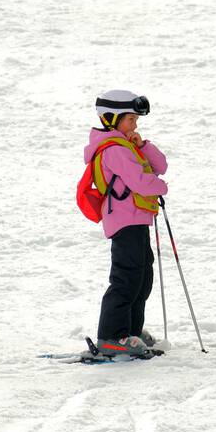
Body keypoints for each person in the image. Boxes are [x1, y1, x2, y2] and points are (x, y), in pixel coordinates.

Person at [84, 90, 169, 358]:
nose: (135, 124)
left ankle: (130, 331)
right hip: (124, 221)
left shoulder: (128, 145)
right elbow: (142, 181)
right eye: (131, 119)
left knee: (142, 278)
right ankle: (112, 336)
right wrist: (161, 187)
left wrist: (142, 145)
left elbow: (161, 165)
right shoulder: (115, 150)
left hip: (137, 219)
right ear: (111, 119)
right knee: (126, 278)